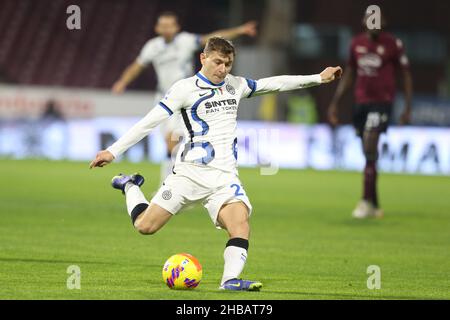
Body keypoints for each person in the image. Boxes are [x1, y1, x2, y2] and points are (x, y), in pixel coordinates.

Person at [91, 37, 342, 291]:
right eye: (218, 62)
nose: (223, 69)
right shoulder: (184, 89)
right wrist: (113, 151)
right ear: (203, 58)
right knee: (145, 226)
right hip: (188, 175)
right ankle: (130, 185)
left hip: (224, 179)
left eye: (229, 63)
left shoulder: (236, 85)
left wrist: (318, 78)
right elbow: (149, 121)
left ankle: (229, 280)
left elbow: (274, 83)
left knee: (240, 224)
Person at [111, 11, 258, 184]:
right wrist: (122, 81)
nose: (167, 29)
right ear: (157, 28)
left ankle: (171, 184)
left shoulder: (186, 40)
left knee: (175, 140)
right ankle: (173, 183)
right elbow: (137, 66)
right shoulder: (152, 46)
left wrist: (240, 30)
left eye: (170, 25)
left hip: (190, 97)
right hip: (165, 97)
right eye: (163, 26)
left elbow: (213, 37)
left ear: (177, 27)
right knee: (171, 142)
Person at [327, 10, 413, 219]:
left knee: (369, 145)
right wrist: (335, 103)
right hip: (361, 104)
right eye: (370, 19)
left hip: (382, 103)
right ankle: (375, 203)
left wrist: (407, 107)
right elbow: (350, 74)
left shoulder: (393, 44)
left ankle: (365, 202)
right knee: (368, 155)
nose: (374, 23)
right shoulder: (355, 43)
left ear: (384, 22)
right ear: (363, 22)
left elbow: (405, 74)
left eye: (378, 19)